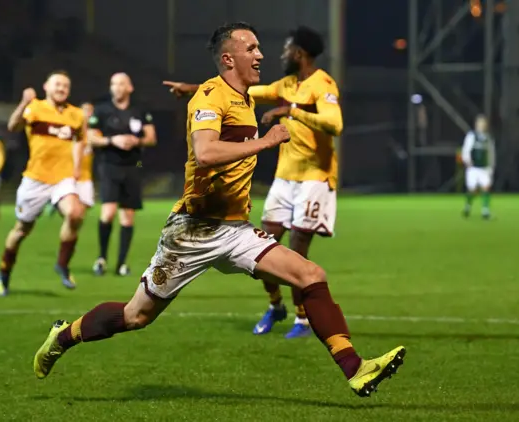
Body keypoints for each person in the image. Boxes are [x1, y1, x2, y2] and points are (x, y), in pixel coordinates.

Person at [33, 22, 405, 398]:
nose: (260, 55)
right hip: (192, 232)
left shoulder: (243, 96)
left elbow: (239, 98)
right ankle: (62, 337)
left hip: (236, 230)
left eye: (260, 48)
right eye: (252, 48)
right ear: (229, 58)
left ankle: (355, 369)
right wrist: (265, 141)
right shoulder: (211, 98)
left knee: (311, 275)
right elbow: (208, 152)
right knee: (136, 316)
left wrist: (192, 89)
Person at [163, 26, 342, 339]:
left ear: (299, 53)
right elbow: (242, 90)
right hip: (284, 178)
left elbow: (335, 124)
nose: (278, 54)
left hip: (315, 176)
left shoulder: (322, 84)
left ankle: (302, 319)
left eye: (287, 48)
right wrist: (192, 89)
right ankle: (276, 305)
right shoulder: (285, 84)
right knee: (267, 241)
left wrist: (293, 111)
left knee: (298, 246)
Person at [0, 70, 86, 296]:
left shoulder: (76, 114)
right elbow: (12, 126)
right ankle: (4, 272)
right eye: (57, 84)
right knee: (21, 230)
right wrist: (24, 102)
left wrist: (77, 166)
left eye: (65, 85)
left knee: (75, 214)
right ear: (46, 86)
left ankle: (62, 264)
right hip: (35, 179)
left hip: (62, 179)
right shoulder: (34, 108)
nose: (61, 88)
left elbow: (80, 140)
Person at [89, 73, 157, 277]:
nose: (117, 87)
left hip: (133, 166)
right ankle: (101, 258)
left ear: (130, 88)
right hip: (109, 165)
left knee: (127, 217)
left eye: (121, 84)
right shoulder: (101, 110)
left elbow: (151, 137)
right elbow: (91, 138)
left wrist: (137, 142)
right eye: (113, 84)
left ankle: (121, 264)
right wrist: (113, 141)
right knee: (108, 213)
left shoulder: (139, 110)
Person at [45, 102, 96, 217]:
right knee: (72, 211)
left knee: (82, 210)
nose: (88, 114)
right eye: (85, 110)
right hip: (69, 175)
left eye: (90, 111)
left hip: (86, 176)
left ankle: (56, 205)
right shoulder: (70, 131)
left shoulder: (94, 133)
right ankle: (57, 203)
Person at [461, 114, 496, 219]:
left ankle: (485, 211)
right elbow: (466, 149)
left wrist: (491, 166)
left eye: (484, 123)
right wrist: (467, 160)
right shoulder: (471, 136)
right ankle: (467, 206)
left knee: (486, 188)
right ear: (476, 124)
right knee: (473, 190)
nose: (482, 125)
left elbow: (491, 153)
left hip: (484, 168)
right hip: (473, 168)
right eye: (480, 123)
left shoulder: (488, 138)